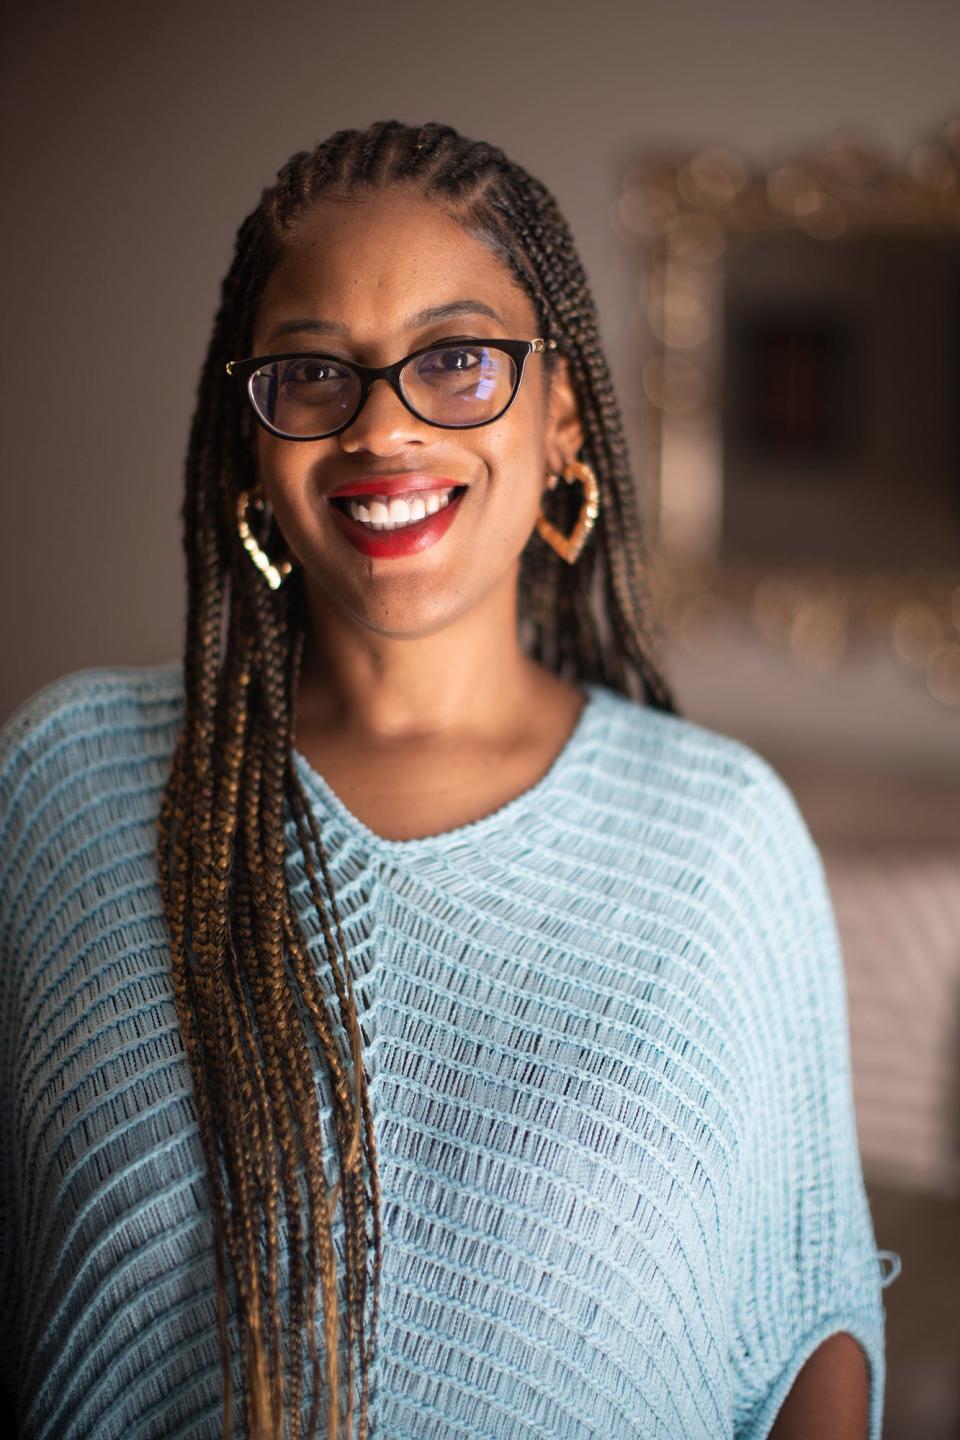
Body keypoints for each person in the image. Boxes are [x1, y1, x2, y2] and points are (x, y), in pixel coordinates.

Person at [0, 119, 900, 1440]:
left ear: (563, 418)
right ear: (252, 441)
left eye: (459, 360)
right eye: (315, 372)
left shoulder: (719, 835)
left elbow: (811, 1334)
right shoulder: (67, 788)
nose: (381, 427)